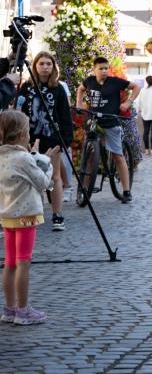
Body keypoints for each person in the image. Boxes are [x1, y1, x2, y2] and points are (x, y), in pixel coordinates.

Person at [0, 110, 59, 325]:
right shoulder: (23, 158)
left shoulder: (2, 155)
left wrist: (33, 156)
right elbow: (43, 182)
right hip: (26, 216)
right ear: (22, 134)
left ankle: (9, 308)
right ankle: (23, 310)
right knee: (24, 263)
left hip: (7, 216)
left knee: (10, 263)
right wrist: (48, 163)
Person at [17, 51, 72, 231]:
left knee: (54, 176)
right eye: (42, 63)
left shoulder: (58, 89)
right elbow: (19, 112)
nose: (45, 67)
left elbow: (65, 115)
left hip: (52, 138)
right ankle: (31, 213)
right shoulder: (26, 87)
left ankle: (57, 215)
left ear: (53, 67)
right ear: (35, 66)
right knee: (29, 177)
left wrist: (66, 139)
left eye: (49, 64)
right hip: (29, 139)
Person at [76, 57, 140, 203]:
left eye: (106, 68)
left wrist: (128, 102)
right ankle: (84, 189)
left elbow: (136, 87)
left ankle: (126, 191)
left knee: (118, 156)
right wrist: (79, 103)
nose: (104, 71)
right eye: (101, 68)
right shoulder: (89, 81)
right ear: (94, 69)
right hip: (94, 121)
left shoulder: (115, 82)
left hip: (111, 122)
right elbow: (80, 89)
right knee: (89, 156)